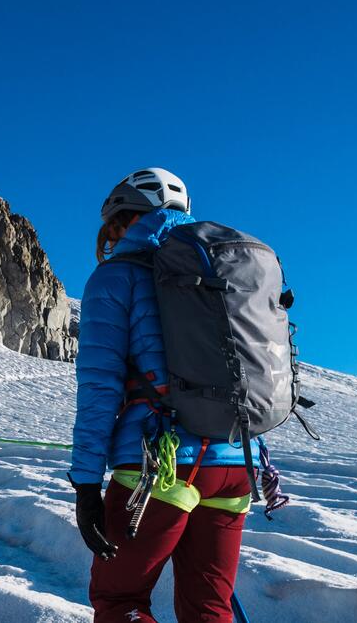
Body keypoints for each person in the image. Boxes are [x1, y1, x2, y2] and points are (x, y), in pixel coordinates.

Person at [70, 168, 263, 623]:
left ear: (123, 219)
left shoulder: (117, 277)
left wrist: (85, 485)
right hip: (236, 461)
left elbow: (100, 385)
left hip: (161, 465)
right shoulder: (221, 268)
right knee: (209, 608)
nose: (111, 238)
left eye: (112, 228)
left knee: (121, 601)